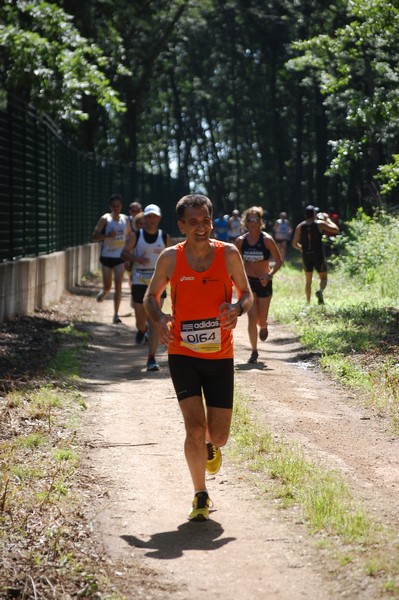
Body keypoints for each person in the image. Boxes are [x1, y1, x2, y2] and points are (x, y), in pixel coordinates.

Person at [143, 194, 253, 521]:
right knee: (193, 426)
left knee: (217, 434)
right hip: (182, 353)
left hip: (220, 354)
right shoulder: (170, 258)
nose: (201, 227)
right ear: (181, 226)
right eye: (193, 222)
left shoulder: (229, 254)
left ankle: (210, 444)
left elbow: (246, 294)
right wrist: (161, 318)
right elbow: (151, 297)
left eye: (205, 220)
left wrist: (237, 309)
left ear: (211, 220)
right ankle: (200, 495)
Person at [122, 203, 173, 371]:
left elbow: (174, 257)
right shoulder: (137, 236)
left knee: (154, 321)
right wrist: (136, 259)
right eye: (149, 217)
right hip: (139, 282)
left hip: (157, 284)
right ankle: (140, 329)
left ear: (159, 218)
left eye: (155, 217)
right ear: (145, 218)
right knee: (141, 321)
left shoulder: (164, 237)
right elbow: (124, 253)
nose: (152, 220)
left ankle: (151, 358)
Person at [235, 206, 282, 364]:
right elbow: (233, 263)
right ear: (245, 222)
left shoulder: (267, 239)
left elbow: (279, 261)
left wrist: (269, 275)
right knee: (251, 317)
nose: (253, 222)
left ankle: (264, 326)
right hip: (248, 283)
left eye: (256, 219)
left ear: (260, 222)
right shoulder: (241, 241)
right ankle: (254, 351)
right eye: (250, 219)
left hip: (264, 282)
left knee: (260, 320)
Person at [92, 193, 131, 324]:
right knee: (108, 286)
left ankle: (115, 314)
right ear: (110, 206)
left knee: (119, 285)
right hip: (107, 257)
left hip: (119, 257)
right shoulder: (105, 219)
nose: (116, 208)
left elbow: (129, 237)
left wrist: (128, 255)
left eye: (118, 206)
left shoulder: (125, 220)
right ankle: (104, 292)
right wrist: (107, 235)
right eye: (113, 206)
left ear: (121, 206)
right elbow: (94, 236)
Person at [292, 205, 340, 304]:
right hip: (318, 254)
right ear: (314, 214)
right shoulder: (320, 224)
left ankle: (308, 302)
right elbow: (336, 229)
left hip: (306, 255)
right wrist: (327, 219)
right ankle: (320, 291)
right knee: (323, 278)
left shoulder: (300, 226)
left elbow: (294, 243)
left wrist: (301, 248)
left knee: (308, 281)